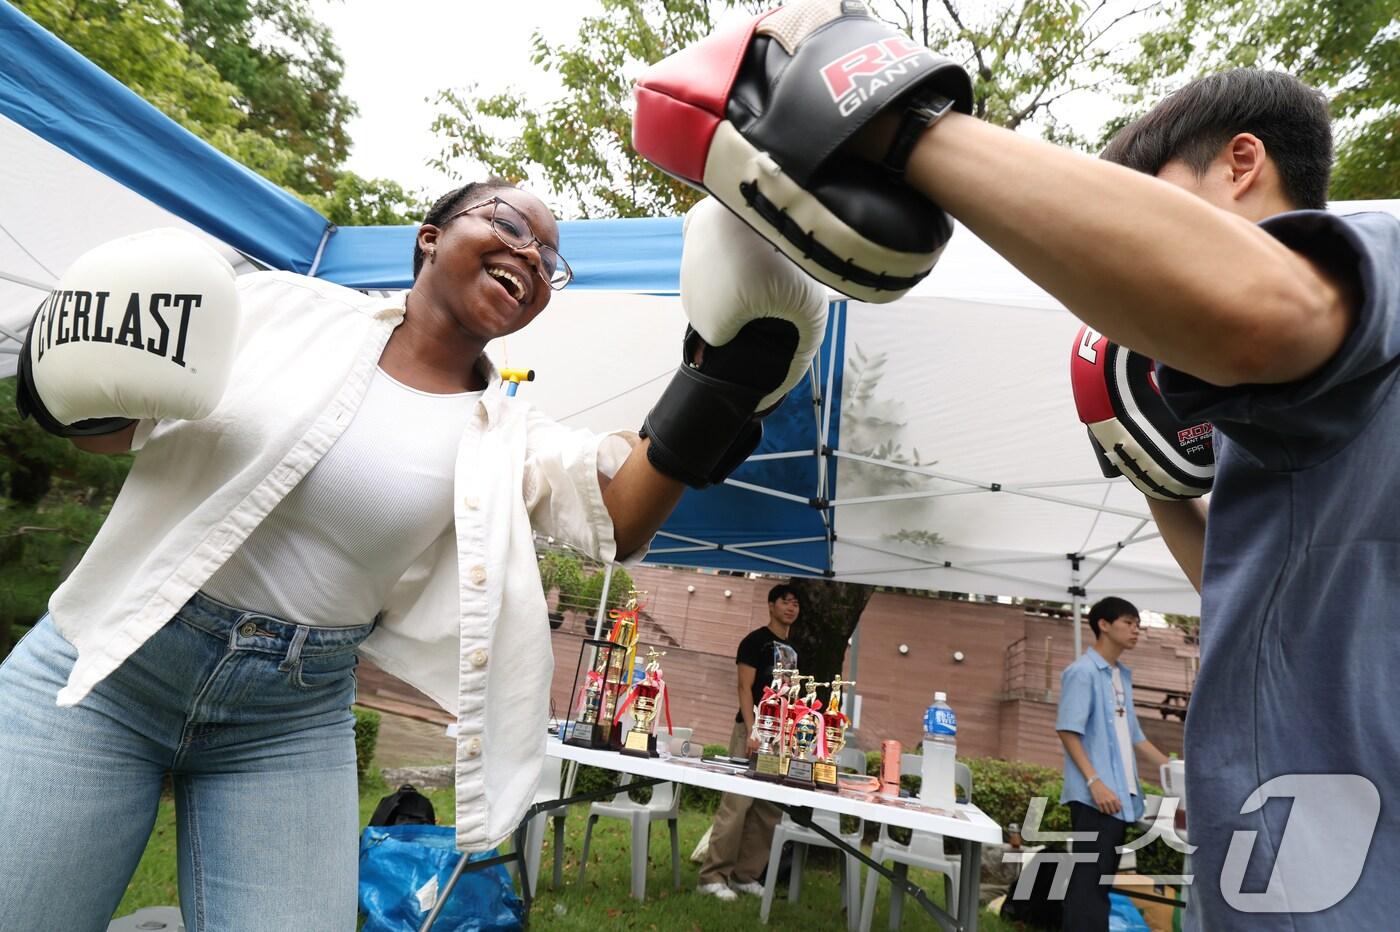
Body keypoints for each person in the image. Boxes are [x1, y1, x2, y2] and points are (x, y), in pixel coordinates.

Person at [0, 180, 820, 929]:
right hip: (110, 674)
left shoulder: (508, 435)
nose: (533, 257)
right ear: (430, 237)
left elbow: (622, 514)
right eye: (510, 224)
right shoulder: (280, 308)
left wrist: (720, 379)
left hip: (284, 724)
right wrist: (63, 391)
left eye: (550, 261)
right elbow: (114, 427)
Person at [1057, 597, 1172, 930]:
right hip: (1096, 797)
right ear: (1104, 625)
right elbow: (1068, 730)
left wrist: (1175, 769)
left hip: (1119, 799)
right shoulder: (1082, 673)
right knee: (1088, 886)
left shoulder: (1121, 676)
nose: (1136, 630)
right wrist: (1095, 783)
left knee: (1099, 883)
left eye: (1138, 624)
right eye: (1128, 623)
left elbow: (1136, 737)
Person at [697, 583, 801, 900]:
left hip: (780, 737)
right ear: (771, 605)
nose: (791, 608)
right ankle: (712, 876)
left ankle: (746, 875)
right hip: (752, 731)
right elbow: (744, 688)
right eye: (785, 602)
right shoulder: (754, 642)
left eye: (796, 604)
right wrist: (753, 730)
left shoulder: (793, 650)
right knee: (737, 803)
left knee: (768, 807)